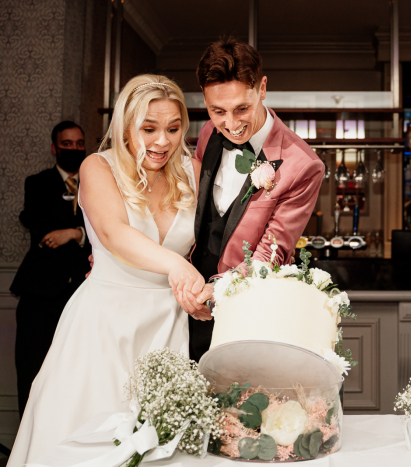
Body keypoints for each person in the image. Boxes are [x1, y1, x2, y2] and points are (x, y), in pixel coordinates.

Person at [8, 75, 210, 466]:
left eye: (173, 128)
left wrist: (203, 289)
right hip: (103, 325)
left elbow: (216, 242)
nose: (163, 141)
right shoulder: (97, 166)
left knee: (161, 446)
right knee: (87, 441)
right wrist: (178, 267)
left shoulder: (193, 171)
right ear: (125, 125)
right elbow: (114, 234)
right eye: (149, 128)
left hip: (167, 325)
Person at [179, 38, 325, 362]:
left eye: (241, 108)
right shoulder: (207, 134)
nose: (231, 124)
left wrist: (214, 291)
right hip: (185, 303)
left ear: (261, 88)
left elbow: (269, 255)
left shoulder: (303, 166)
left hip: (246, 311)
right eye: (218, 111)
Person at [10, 121, 91, 418]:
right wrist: (76, 229)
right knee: (32, 369)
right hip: (39, 293)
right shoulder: (38, 183)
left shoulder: (97, 182)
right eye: (67, 144)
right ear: (55, 148)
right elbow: (40, 224)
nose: (74, 149)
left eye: (79, 143)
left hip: (83, 290)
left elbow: (107, 229)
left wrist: (74, 233)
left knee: (76, 373)